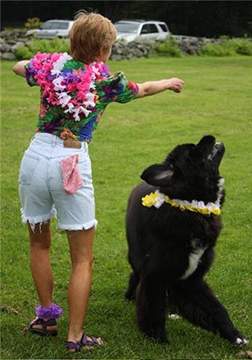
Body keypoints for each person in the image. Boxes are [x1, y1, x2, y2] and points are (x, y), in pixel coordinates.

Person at [13, 11, 184, 353]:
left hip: (34, 159)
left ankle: (46, 316)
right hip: (71, 163)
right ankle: (75, 337)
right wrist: (167, 83)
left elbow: (20, 67)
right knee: (81, 258)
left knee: (39, 243)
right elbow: (143, 89)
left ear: (72, 42)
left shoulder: (50, 68)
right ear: (104, 50)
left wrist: (53, 61)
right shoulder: (106, 82)